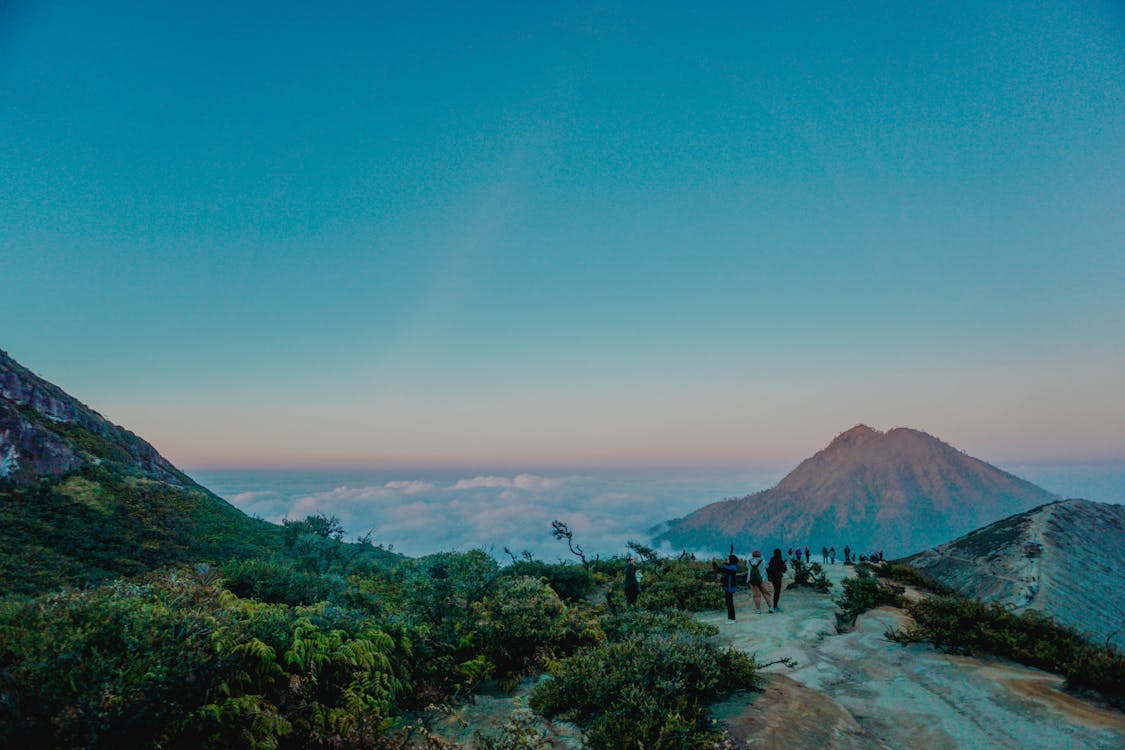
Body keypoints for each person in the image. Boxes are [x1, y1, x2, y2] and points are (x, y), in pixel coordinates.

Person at [719, 553, 740, 622]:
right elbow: (721, 569)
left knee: (729, 603)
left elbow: (721, 568)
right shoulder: (733, 566)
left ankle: (732, 619)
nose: (726, 560)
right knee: (729, 602)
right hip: (729, 586)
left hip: (729, 586)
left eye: (728, 559)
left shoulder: (731, 568)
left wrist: (715, 563)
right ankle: (730, 618)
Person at [767, 548, 787, 612]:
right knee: (777, 592)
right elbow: (784, 570)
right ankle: (775, 606)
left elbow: (769, 569)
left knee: (775, 591)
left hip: (773, 578)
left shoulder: (771, 560)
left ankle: (772, 606)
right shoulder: (780, 560)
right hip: (778, 577)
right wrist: (784, 565)